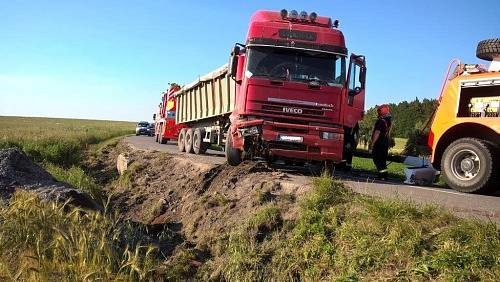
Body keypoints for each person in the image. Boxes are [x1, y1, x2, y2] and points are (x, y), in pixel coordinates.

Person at [369, 104, 392, 180]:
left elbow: (377, 133)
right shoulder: (388, 121)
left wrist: (372, 143)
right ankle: (384, 176)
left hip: (379, 144)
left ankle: (381, 176)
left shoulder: (381, 121)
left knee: (377, 160)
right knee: (382, 161)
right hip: (385, 144)